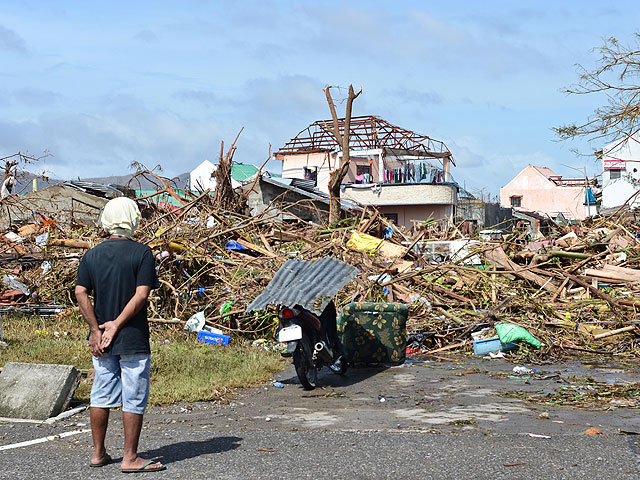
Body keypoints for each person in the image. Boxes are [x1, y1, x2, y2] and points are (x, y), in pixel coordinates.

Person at [75, 197, 166, 473]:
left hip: (101, 338)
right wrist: (118, 324)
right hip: (133, 336)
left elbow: (81, 292)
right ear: (133, 220)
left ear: (106, 221)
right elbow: (141, 295)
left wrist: (96, 328)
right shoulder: (142, 254)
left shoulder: (91, 255)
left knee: (101, 393)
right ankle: (130, 458)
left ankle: (98, 453)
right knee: (134, 395)